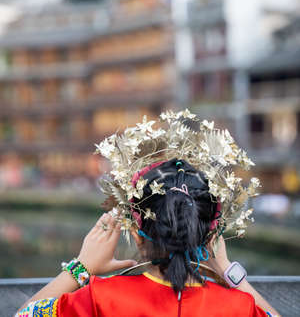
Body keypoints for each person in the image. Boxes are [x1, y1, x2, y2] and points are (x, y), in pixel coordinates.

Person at [16, 111, 280, 316]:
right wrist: (227, 271)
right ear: (210, 236)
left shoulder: (101, 299)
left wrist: (80, 269)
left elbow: (24, 315)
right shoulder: (238, 308)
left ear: (136, 234)